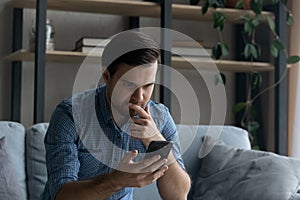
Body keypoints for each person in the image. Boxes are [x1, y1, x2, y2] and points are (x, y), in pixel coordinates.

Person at [41, 30, 191, 200]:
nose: (139, 97)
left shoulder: (160, 117)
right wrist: (115, 181)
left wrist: (156, 139)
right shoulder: (70, 116)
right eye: (128, 85)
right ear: (106, 76)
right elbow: (61, 195)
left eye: (148, 85)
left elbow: (178, 195)